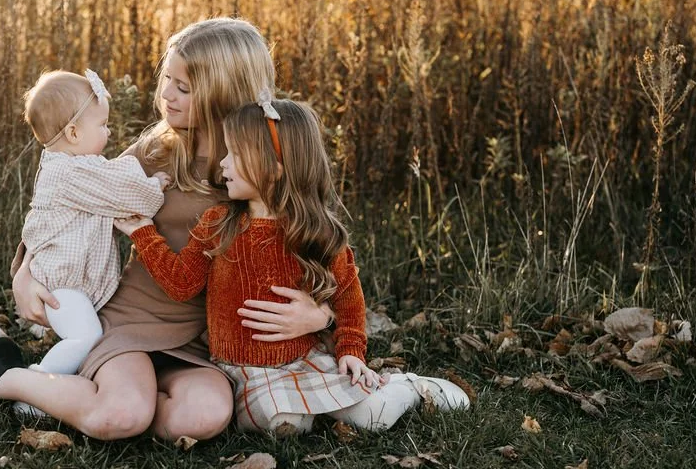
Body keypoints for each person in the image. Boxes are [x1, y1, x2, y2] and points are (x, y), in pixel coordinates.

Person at [0, 18, 333, 440]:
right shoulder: (154, 153)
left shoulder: (269, 164)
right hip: (133, 319)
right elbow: (65, 203)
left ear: (226, 93)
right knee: (120, 416)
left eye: (184, 88)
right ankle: (0, 374)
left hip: (207, 341)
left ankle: (82, 395)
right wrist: (25, 272)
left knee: (202, 418)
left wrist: (321, 315)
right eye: (167, 78)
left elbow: (321, 248)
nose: (167, 94)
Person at [114, 97, 470, 433]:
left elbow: (348, 296)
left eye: (235, 154)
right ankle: (312, 409)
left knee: (371, 418)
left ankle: (409, 388)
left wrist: (350, 351)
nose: (222, 164)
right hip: (241, 368)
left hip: (301, 358)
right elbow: (182, 283)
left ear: (275, 166)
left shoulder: (315, 232)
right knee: (282, 423)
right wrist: (143, 233)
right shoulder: (218, 222)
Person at [8, 70, 169, 416]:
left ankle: (55, 380)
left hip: (67, 282)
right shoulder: (72, 173)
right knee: (85, 336)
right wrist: (154, 184)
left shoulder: (72, 166)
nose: (109, 132)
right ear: (74, 133)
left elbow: (112, 180)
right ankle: (35, 390)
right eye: (103, 125)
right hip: (62, 285)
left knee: (85, 334)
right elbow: (131, 196)